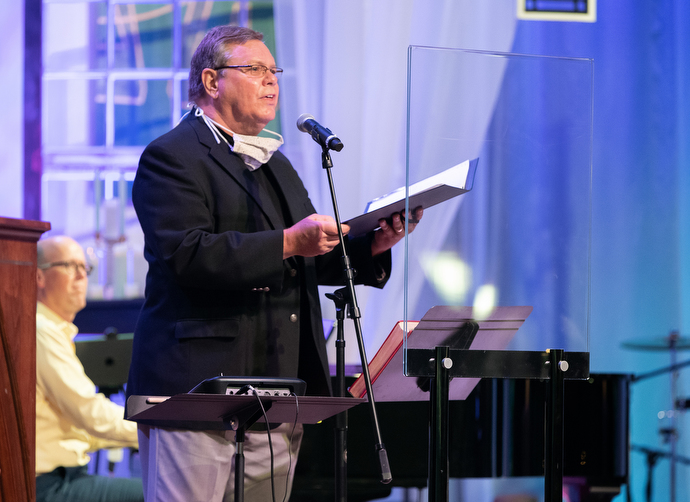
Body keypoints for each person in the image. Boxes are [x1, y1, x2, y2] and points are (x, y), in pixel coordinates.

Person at [126, 24, 421, 502]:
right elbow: (187, 254)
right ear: (211, 80)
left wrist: (375, 244)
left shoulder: (275, 162)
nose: (271, 81)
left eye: (274, 71)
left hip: (278, 391)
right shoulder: (171, 156)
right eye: (255, 69)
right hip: (192, 392)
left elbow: (309, 257)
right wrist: (286, 242)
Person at [35, 235, 144, 502]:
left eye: (85, 268)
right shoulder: (40, 330)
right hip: (50, 485)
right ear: (39, 276)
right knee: (170, 493)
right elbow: (91, 415)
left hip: (65, 476)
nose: (82, 276)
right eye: (70, 266)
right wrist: (155, 429)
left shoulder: (51, 330)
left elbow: (80, 426)